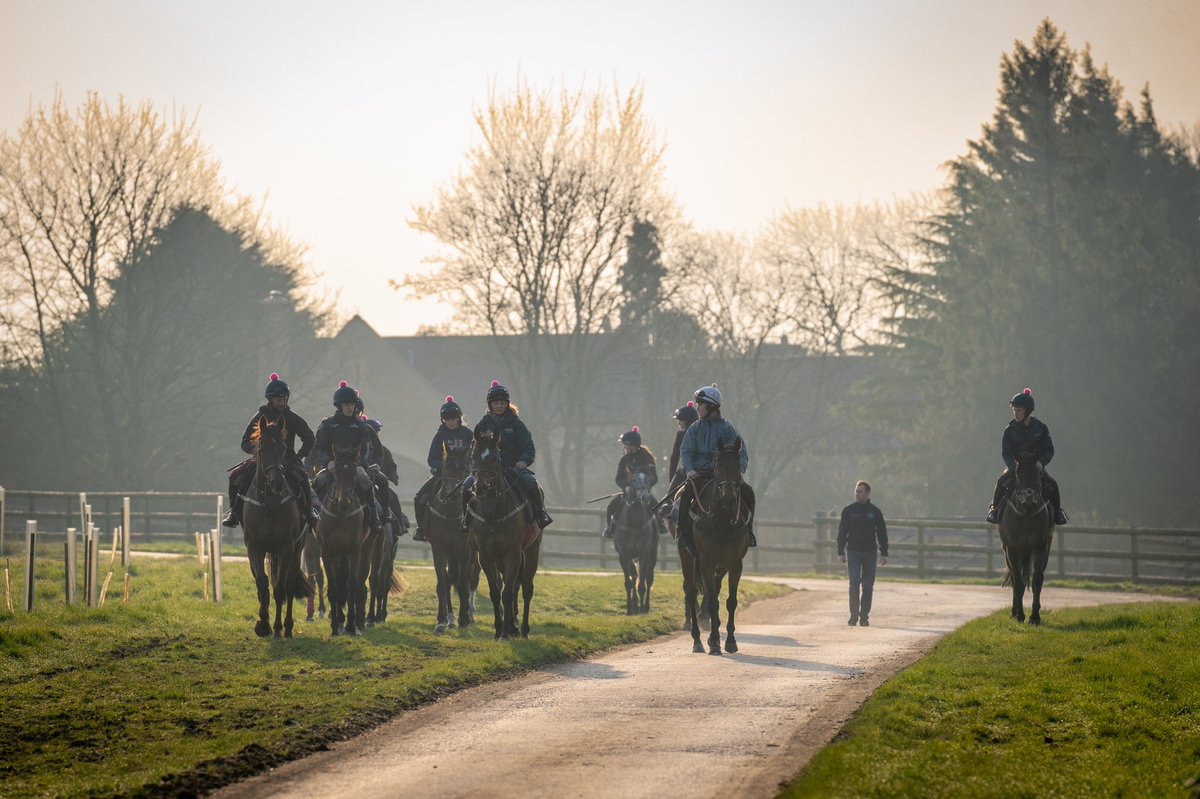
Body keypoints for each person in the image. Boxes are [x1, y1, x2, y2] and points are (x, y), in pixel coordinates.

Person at [222, 373, 319, 528]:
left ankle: (309, 511)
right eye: (278, 400)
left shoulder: (293, 418)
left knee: (302, 476)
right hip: (262, 460)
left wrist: (299, 455)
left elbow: (309, 438)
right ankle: (234, 512)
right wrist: (259, 452)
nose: (282, 403)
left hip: (287, 459)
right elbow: (245, 442)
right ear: (270, 399)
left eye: (284, 399)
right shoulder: (259, 417)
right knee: (235, 476)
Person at [460, 380, 553, 529]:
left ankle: (540, 515)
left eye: (502, 403)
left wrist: (524, 460)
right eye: (496, 403)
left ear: (507, 404)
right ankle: (465, 518)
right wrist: (475, 466)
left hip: (512, 468)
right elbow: (474, 450)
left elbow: (528, 446)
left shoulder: (516, 424)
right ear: (490, 405)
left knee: (531, 483)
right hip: (486, 470)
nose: (499, 406)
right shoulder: (483, 424)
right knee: (466, 486)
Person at [676, 383, 756, 552]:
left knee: (749, 494)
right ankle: (681, 532)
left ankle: (749, 531)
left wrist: (740, 471)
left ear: (711, 406)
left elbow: (741, 452)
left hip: (723, 476)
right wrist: (689, 470)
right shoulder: (694, 428)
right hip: (699, 475)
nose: (698, 408)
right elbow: (686, 451)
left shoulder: (727, 429)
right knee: (685, 495)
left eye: (701, 404)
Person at [308, 381, 384, 535]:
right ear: (339, 406)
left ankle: (374, 517)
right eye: (346, 404)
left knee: (366, 483)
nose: (350, 407)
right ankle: (312, 516)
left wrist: (361, 464)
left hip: (354, 467)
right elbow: (317, 449)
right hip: (333, 467)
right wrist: (328, 462)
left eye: (352, 404)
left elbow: (367, 449)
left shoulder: (361, 426)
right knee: (318, 483)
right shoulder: (328, 425)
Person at [985, 388, 1068, 526]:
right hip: (1016, 467)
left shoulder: (1041, 428)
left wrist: (1041, 463)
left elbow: (1049, 450)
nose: (1015, 413)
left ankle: (1058, 513)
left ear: (1027, 411)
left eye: (1019, 410)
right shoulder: (1009, 430)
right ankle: (994, 510)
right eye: (1014, 410)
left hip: (1035, 467)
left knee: (1052, 484)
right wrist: (1013, 467)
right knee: (1001, 482)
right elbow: (1006, 453)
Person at [413, 395, 474, 541]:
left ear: (459, 418)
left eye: (453, 418)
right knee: (420, 497)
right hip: (444, 475)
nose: (451, 422)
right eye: (447, 419)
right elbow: (432, 459)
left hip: (466, 476)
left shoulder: (468, 434)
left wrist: (467, 468)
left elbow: (475, 456)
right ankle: (421, 529)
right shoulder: (440, 434)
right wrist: (446, 467)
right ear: (443, 420)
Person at [837, 480, 888, 627]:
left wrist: (884, 552)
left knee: (868, 585)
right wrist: (840, 551)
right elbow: (842, 532)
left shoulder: (875, 512)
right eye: (856, 491)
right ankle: (853, 615)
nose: (857, 494)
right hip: (853, 552)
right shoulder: (848, 511)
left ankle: (864, 616)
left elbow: (882, 533)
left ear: (867, 494)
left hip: (870, 553)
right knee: (854, 582)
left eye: (860, 492)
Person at [354, 394, 400, 530]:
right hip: (342, 468)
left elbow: (382, 456)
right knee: (319, 484)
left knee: (386, 486)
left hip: (367, 470)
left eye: (356, 412)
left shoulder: (367, 431)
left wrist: (380, 467)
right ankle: (314, 515)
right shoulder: (334, 426)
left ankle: (389, 516)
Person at [603, 426, 659, 538]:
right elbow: (618, 478)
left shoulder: (648, 458)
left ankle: (658, 527)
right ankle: (610, 528)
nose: (624, 447)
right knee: (611, 506)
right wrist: (626, 487)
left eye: (626, 445)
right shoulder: (624, 459)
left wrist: (645, 487)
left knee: (655, 505)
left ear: (633, 445)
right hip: (628, 492)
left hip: (644, 492)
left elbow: (655, 478)